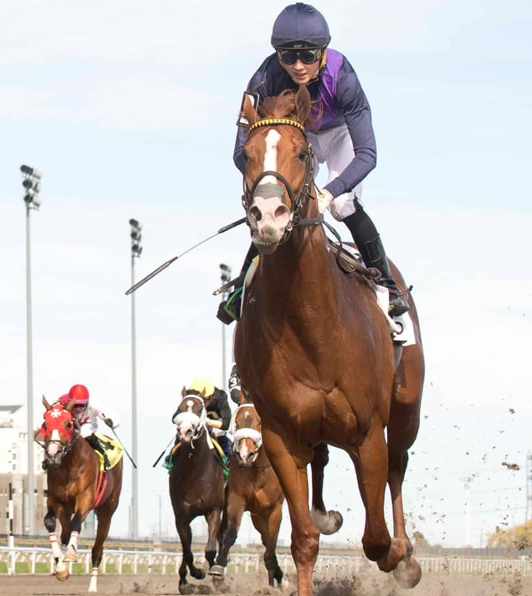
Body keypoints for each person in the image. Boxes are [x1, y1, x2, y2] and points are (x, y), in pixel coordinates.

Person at [218, 2, 409, 325]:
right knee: (274, 206)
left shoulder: (343, 77)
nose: (298, 66)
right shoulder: (261, 81)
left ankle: (388, 285)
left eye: (308, 56)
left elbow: (367, 154)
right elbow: (242, 151)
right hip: (296, 136)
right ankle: (241, 288)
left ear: (323, 51)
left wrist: (329, 191)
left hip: (339, 135)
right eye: (288, 56)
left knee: (342, 205)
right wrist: (268, 188)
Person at [164, 377, 233, 469]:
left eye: (205, 399)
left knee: (224, 442)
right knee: (181, 434)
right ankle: (172, 458)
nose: (202, 401)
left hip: (215, 428)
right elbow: (174, 418)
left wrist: (209, 422)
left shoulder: (220, 397)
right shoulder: (190, 397)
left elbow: (226, 423)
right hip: (195, 426)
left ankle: (228, 463)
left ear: (211, 396)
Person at [59, 384, 119, 468]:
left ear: (87, 403)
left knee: (83, 433)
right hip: (72, 427)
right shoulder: (63, 405)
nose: (78, 409)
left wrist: (111, 421)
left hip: (88, 425)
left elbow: (107, 413)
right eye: (75, 405)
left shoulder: (94, 405)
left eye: (81, 405)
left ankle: (103, 454)